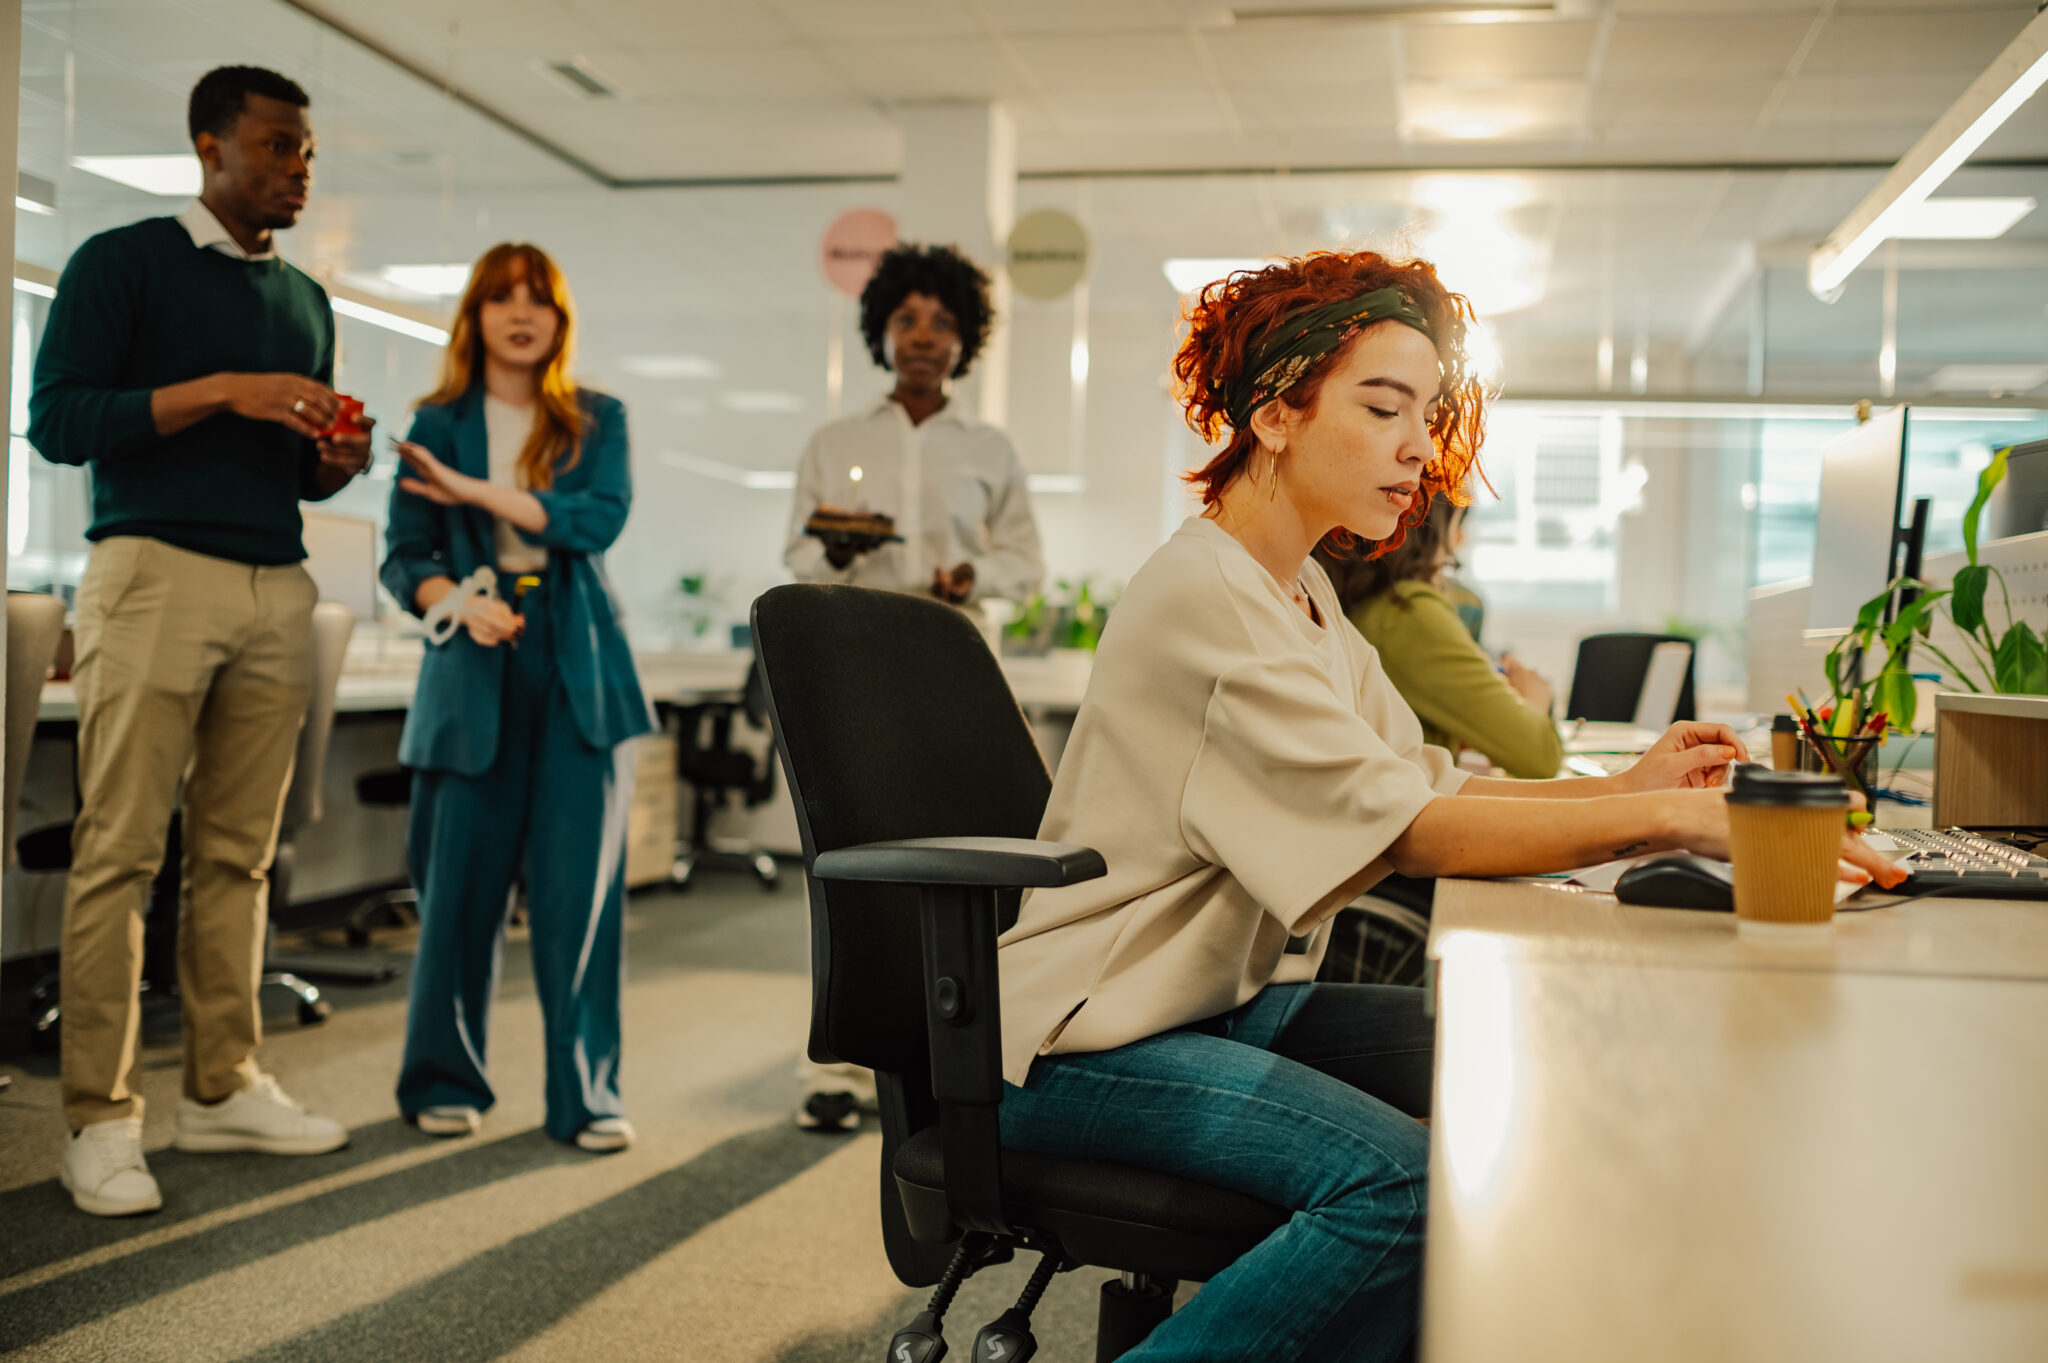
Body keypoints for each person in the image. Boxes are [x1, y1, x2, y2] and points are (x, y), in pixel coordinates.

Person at [992, 250, 1903, 1361]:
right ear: (1275, 412)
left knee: (1530, 1052)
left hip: (1201, 1003)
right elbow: (1411, 834)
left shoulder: (1299, 591)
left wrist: (1623, 785)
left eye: (1425, 413)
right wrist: (1659, 821)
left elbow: (1421, 779)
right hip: (1083, 1039)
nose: (1418, 447)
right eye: (1382, 408)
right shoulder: (1205, 596)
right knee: (1408, 1192)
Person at [28, 65, 372, 1218]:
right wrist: (226, 389)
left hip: (278, 580)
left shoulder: (307, 304)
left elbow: (287, 447)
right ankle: (100, 1116)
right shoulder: (120, 263)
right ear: (209, 145)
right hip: (152, 572)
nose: (297, 169)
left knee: (240, 857)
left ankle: (221, 1087)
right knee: (119, 853)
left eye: (307, 152)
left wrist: (326, 457)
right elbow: (62, 423)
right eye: (277, 147)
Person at [381, 243, 653, 1152]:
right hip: (473, 655)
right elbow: (405, 553)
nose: (521, 311)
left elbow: (596, 518)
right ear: (477, 314)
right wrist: (453, 599)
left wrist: (475, 491)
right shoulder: (437, 419)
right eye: (503, 297)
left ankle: (585, 1094)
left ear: (559, 318)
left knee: (581, 896)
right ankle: (445, 1076)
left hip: (576, 661)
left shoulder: (595, 418)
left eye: (539, 297)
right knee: (458, 888)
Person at [783, 242, 1045, 1132]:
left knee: (961, 857)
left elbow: (1027, 564)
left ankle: (970, 1043)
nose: (923, 337)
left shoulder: (990, 448)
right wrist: (838, 550)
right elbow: (798, 554)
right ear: (881, 332)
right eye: (906, 320)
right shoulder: (836, 442)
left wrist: (978, 574)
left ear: (964, 340)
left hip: (953, 669)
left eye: (942, 323)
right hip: (854, 670)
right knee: (855, 862)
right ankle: (850, 1064)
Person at [1317, 494, 1564, 779]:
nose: (1458, 544)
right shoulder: (1410, 613)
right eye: (1457, 528)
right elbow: (1540, 757)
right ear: (1432, 531)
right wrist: (1535, 699)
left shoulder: (1374, 606)